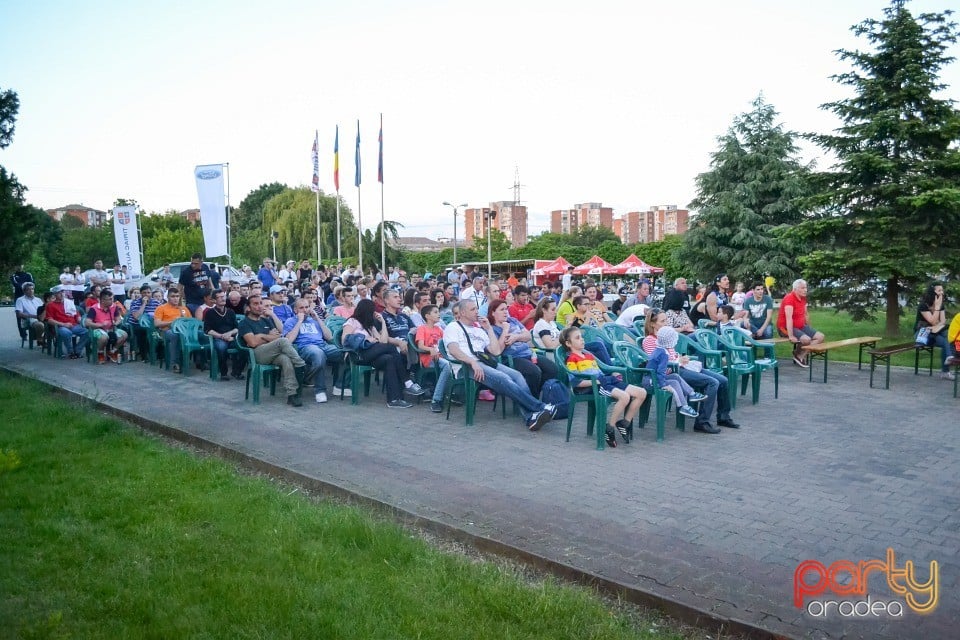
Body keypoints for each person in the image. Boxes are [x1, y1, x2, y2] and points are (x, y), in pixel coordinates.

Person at [442, 299, 556, 431]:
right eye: (473, 309)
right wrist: (472, 362)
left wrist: (489, 329)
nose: (477, 312)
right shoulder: (453, 327)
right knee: (503, 378)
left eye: (476, 309)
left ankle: (531, 416)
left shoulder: (478, 330)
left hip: (485, 362)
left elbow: (495, 351)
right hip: (466, 366)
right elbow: (453, 349)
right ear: (462, 312)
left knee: (517, 375)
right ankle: (539, 407)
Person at [642, 308, 738, 434]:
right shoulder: (650, 340)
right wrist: (678, 361)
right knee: (712, 382)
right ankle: (702, 422)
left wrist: (680, 358)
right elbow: (658, 362)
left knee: (723, 380)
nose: (666, 323)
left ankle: (723, 416)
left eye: (666, 320)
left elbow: (671, 356)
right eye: (663, 321)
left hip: (683, 367)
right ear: (652, 324)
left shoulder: (665, 336)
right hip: (674, 372)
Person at [561, 326, 646, 447]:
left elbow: (599, 372)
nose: (582, 340)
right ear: (568, 343)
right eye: (578, 338)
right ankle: (609, 428)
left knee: (641, 393)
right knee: (625, 397)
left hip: (605, 381)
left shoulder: (588, 356)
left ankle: (624, 423)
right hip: (595, 387)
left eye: (582, 337)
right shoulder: (571, 360)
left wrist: (609, 376)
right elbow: (577, 383)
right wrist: (596, 382)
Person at [342, 299, 422, 408]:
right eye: (372, 311)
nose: (375, 313)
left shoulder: (370, 325)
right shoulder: (352, 321)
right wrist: (366, 339)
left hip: (373, 353)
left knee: (389, 359)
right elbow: (344, 340)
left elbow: (383, 341)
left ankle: (393, 400)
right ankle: (407, 382)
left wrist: (383, 322)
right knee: (390, 348)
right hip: (358, 354)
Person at [239, 294, 307, 407]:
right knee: (284, 341)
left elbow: (278, 335)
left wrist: (262, 337)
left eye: (260, 303)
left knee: (286, 360)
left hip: (272, 351)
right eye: (255, 304)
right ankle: (300, 364)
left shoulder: (265, 321)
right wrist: (265, 335)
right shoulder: (244, 323)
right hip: (257, 354)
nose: (259, 306)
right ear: (248, 308)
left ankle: (292, 395)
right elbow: (253, 343)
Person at [488, 299, 556, 397]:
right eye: (501, 309)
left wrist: (516, 337)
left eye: (506, 309)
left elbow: (528, 335)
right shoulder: (492, 329)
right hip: (512, 358)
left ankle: (531, 395)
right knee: (534, 372)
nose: (505, 312)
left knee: (552, 369)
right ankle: (532, 401)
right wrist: (505, 330)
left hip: (527, 353)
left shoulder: (513, 321)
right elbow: (498, 351)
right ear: (493, 313)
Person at [283, 297, 342, 402]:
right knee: (318, 354)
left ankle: (340, 385)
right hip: (305, 347)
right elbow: (289, 340)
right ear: (295, 310)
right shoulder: (290, 321)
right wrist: (300, 321)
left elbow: (329, 337)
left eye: (306, 307)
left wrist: (318, 319)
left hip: (322, 345)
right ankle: (320, 390)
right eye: (301, 308)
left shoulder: (314, 321)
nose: (305, 310)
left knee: (344, 353)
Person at [647, 326, 704, 419]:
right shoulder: (664, 354)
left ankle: (692, 394)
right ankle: (683, 406)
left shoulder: (660, 349)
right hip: (651, 380)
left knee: (675, 376)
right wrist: (663, 385)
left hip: (654, 378)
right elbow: (660, 371)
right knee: (674, 382)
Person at [776, 279, 825, 368]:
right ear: (795, 289)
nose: (805, 290)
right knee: (806, 340)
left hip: (800, 326)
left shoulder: (803, 298)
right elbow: (789, 318)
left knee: (820, 337)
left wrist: (809, 328)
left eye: (806, 287)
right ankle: (798, 354)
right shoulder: (789, 298)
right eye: (802, 288)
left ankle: (800, 355)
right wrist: (791, 336)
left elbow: (806, 314)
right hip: (785, 327)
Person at [415, 304, 454, 413]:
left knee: (455, 364)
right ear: (427, 316)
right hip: (429, 358)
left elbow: (445, 343)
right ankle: (436, 400)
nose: (438, 315)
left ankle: (454, 394)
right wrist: (431, 349)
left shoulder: (439, 329)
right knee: (447, 366)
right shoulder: (422, 329)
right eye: (435, 312)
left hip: (441, 357)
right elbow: (420, 346)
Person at [916, 283, 955, 380]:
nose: (942, 292)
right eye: (939, 291)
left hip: (935, 332)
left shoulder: (941, 305)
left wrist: (935, 327)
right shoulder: (923, 305)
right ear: (932, 292)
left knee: (948, 337)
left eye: (942, 290)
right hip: (923, 334)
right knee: (946, 338)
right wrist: (937, 307)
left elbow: (942, 321)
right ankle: (946, 370)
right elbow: (933, 321)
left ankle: (948, 361)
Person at [204, 290, 245, 381]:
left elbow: (236, 328)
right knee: (221, 347)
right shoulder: (210, 313)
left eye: (224, 296)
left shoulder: (230, 312)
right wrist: (222, 336)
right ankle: (223, 373)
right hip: (218, 338)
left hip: (231, 337)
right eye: (220, 297)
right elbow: (207, 330)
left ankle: (236, 371)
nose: (223, 299)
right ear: (214, 300)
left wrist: (229, 334)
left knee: (243, 346)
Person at [153, 287, 192, 373]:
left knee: (201, 334)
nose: (175, 298)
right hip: (167, 331)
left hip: (184, 331)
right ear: (168, 297)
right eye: (173, 296)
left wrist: (183, 321)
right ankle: (175, 363)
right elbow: (157, 323)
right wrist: (173, 322)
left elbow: (191, 322)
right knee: (175, 335)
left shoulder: (184, 309)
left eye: (177, 296)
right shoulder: (161, 308)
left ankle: (201, 362)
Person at [44, 285, 89, 359]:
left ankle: (77, 351)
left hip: (73, 325)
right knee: (66, 333)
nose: (62, 294)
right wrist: (64, 324)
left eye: (63, 292)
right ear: (55, 294)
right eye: (59, 293)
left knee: (87, 332)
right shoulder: (50, 305)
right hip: (61, 326)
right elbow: (49, 320)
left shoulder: (69, 303)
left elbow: (77, 315)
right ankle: (70, 352)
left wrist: (82, 321)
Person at [84, 289, 128, 364]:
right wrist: (100, 324)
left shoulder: (114, 306)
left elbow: (118, 319)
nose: (112, 300)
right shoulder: (94, 308)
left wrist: (116, 323)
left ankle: (112, 351)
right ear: (103, 300)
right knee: (104, 337)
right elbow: (87, 322)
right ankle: (100, 353)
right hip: (98, 329)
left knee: (124, 335)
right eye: (110, 299)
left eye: (112, 298)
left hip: (111, 328)